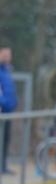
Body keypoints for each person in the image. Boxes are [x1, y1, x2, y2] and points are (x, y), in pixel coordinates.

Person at [0, 46, 18, 175]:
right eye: (4, 54)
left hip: (7, 111)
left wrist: (13, 103)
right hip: (2, 110)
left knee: (5, 139)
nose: (7, 57)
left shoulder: (8, 70)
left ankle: (3, 166)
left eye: (9, 54)